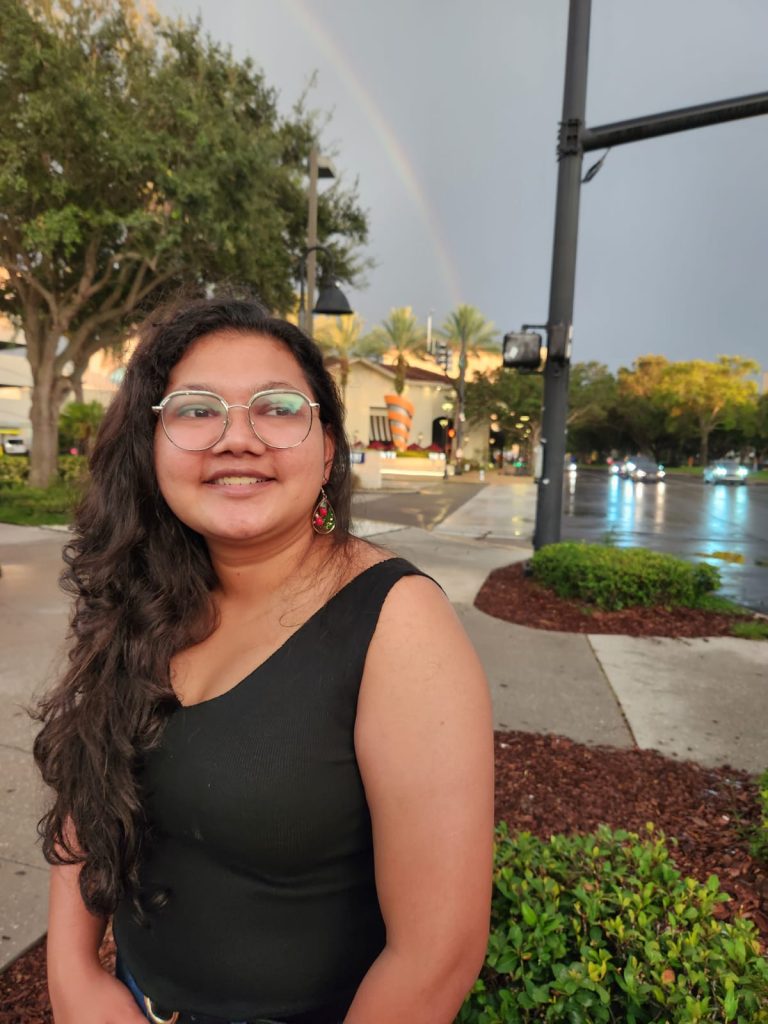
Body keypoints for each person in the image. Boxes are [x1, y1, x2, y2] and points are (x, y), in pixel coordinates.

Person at [33, 295, 494, 1024]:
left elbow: (436, 957)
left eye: (277, 409)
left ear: (329, 448)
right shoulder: (139, 596)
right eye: (196, 409)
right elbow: (84, 803)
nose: (237, 438)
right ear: (151, 445)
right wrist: (77, 984)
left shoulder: (397, 625)